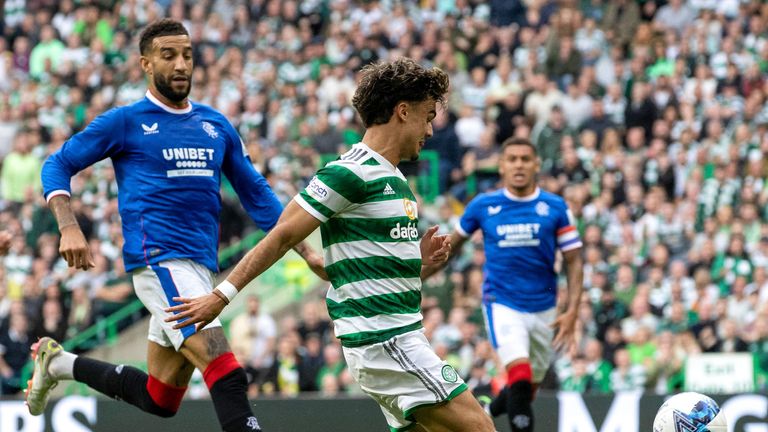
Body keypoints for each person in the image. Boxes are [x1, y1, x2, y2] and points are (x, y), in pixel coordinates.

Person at [166, 58, 495, 432]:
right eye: (427, 116)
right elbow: (283, 233)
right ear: (403, 112)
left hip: (393, 340)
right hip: (387, 341)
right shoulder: (351, 172)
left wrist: (413, 263)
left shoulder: (396, 179)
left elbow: (337, 269)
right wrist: (221, 295)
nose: (431, 130)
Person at [27, 19, 325, 432]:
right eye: (169, 55)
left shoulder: (215, 124)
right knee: (226, 370)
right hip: (159, 262)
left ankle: (60, 363)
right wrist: (68, 226)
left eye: (187, 55)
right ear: (146, 64)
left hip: (200, 268)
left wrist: (307, 252)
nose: (181, 64)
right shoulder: (126, 121)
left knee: (160, 397)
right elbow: (58, 163)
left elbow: (255, 192)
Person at [423, 137, 584, 432]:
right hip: (502, 304)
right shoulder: (484, 205)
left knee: (525, 389)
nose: (519, 165)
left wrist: (572, 311)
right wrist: (418, 277)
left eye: (525, 159)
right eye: (512, 159)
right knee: (520, 376)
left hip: (545, 309)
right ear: (502, 166)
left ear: (536, 164)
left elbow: (574, 260)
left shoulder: (555, 207)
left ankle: (487, 409)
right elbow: (451, 248)